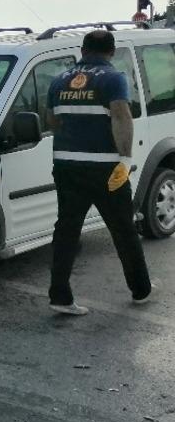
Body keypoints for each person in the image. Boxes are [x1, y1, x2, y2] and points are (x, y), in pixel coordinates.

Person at [46, 29, 152, 315]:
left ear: (82, 50)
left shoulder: (58, 81)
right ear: (112, 51)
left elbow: (53, 122)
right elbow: (120, 115)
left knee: (67, 230)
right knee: (123, 229)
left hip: (67, 166)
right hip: (105, 168)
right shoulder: (113, 78)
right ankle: (140, 289)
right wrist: (125, 158)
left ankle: (59, 296)